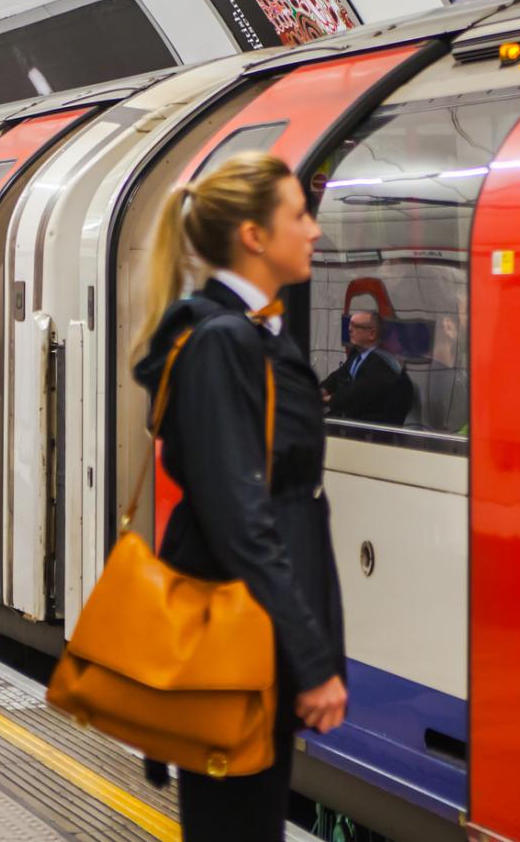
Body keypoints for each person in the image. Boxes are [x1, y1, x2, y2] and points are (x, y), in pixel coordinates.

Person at [130, 151, 346, 840]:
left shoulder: (245, 334)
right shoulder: (225, 342)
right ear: (254, 236)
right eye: (298, 214)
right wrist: (312, 661)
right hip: (237, 641)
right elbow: (242, 516)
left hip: (252, 637)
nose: (313, 230)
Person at [319, 309, 414, 426]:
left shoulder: (382, 363)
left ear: (372, 334)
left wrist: (322, 399)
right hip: (353, 417)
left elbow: (355, 394)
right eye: (349, 324)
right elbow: (338, 376)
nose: (349, 329)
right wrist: (321, 390)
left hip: (374, 428)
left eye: (355, 326)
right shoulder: (356, 353)